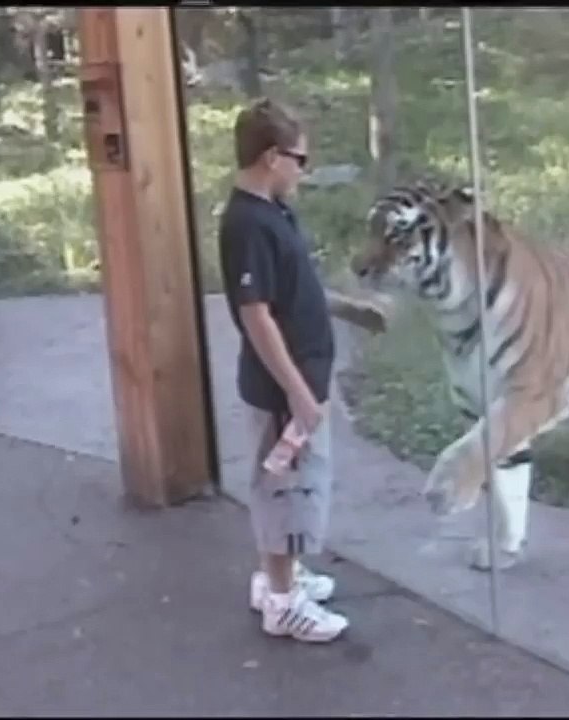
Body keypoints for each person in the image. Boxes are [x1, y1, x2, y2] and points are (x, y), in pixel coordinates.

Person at [218, 98, 348, 643]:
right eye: (300, 159)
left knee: (297, 487)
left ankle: (284, 575)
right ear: (272, 157)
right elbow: (257, 316)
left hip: (301, 382)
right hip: (281, 391)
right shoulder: (248, 224)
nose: (303, 170)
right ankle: (280, 600)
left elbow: (292, 293)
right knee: (284, 489)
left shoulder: (274, 211)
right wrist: (296, 392)